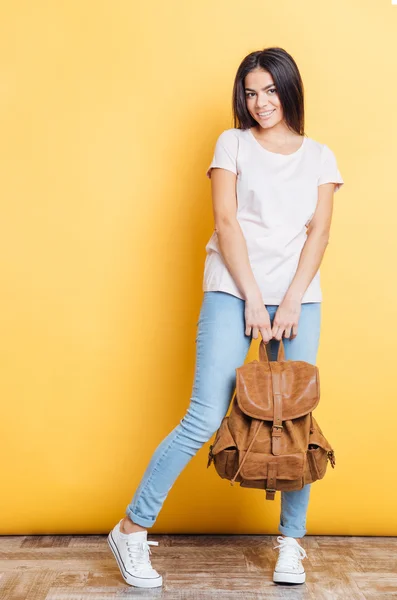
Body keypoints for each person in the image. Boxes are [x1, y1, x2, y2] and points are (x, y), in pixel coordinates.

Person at [107, 46, 344, 589]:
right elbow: (227, 222)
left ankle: (290, 544)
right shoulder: (232, 143)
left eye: (269, 89)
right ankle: (131, 529)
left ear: (289, 89)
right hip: (233, 291)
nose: (260, 102)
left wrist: (289, 299)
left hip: (298, 299)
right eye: (250, 91)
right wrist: (256, 299)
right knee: (204, 416)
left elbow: (320, 234)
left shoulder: (320, 156)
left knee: (296, 419)